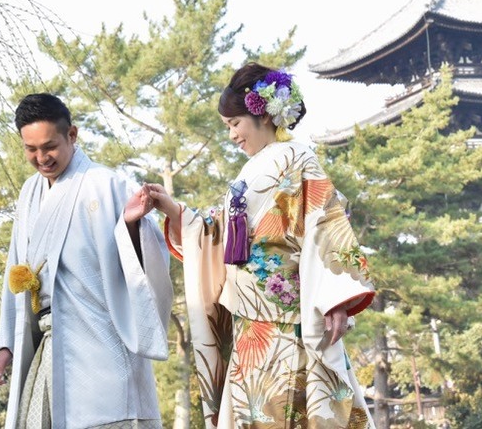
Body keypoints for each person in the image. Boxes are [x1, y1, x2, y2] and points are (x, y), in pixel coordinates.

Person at [145, 63, 377, 428]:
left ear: (261, 114)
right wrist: (174, 211)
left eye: (234, 123)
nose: (232, 135)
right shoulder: (251, 170)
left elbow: (325, 222)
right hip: (250, 326)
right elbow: (221, 232)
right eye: (227, 127)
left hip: (287, 321)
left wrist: (335, 300)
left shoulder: (300, 158)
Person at [0, 92, 171, 429]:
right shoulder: (30, 193)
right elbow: (15, 270)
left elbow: (146, 267)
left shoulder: (106, 185)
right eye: (31, 149)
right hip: (50, 347)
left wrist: (130, 226)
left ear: (72, 134)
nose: (41, 157)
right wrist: (7, 344)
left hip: (102, 345)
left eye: (49, 146)